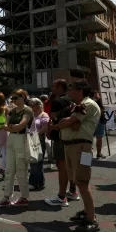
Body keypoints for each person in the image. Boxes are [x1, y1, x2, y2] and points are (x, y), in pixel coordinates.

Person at [52, 80, 100, 232]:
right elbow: (67, 122)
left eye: (72, 89)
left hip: (81, 147)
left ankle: (92, 219)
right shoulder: (79, 105)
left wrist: (64, 123)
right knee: (79, 182)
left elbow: (68, 121)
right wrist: (66, 123)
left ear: (80, 91)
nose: (69, 92)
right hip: (73, 146)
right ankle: (87, 212)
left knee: (83, 182)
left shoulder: (88, 104)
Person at [0, 89, 33, 208]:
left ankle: (24, 197)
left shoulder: (27, 110)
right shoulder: (12, 111)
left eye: (16, 98)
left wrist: (11, 127)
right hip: (11, 138)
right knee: (9, 169)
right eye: (13, 98)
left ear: (23, 97)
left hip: (21, 139)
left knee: (21, 169)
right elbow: (5, 126)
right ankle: (6, 196)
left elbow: (21, 125)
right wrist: (12, 127)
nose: (14, 101)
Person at [45, 80, 80, 207]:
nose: (52, 87)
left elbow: (53, 118)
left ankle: (61, 196)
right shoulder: (72, 101)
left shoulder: (57, 101)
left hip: (60, 136)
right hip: (71, 137)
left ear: (60, 87)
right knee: (69, 166)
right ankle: (72, 191)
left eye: (54, 86)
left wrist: (50, 129)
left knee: (62, 167)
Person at [28, 98, 50, 191]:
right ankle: (40, 182)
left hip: (38, 139)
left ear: (38, 105)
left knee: (36, 162)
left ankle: (33, 182)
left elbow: (44, 128)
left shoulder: (44, 115)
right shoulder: (31, 114)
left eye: (32, 105)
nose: (31, 107)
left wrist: (35, 135)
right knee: (35, 161)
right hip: (30, 139)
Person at [90, 90, 106, 159]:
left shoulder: (87, 102)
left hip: (93, 122)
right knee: (95, 138)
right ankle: (97, 154)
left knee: (90, 140)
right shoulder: (93, 103)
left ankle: (97, 154)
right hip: (94, 122)